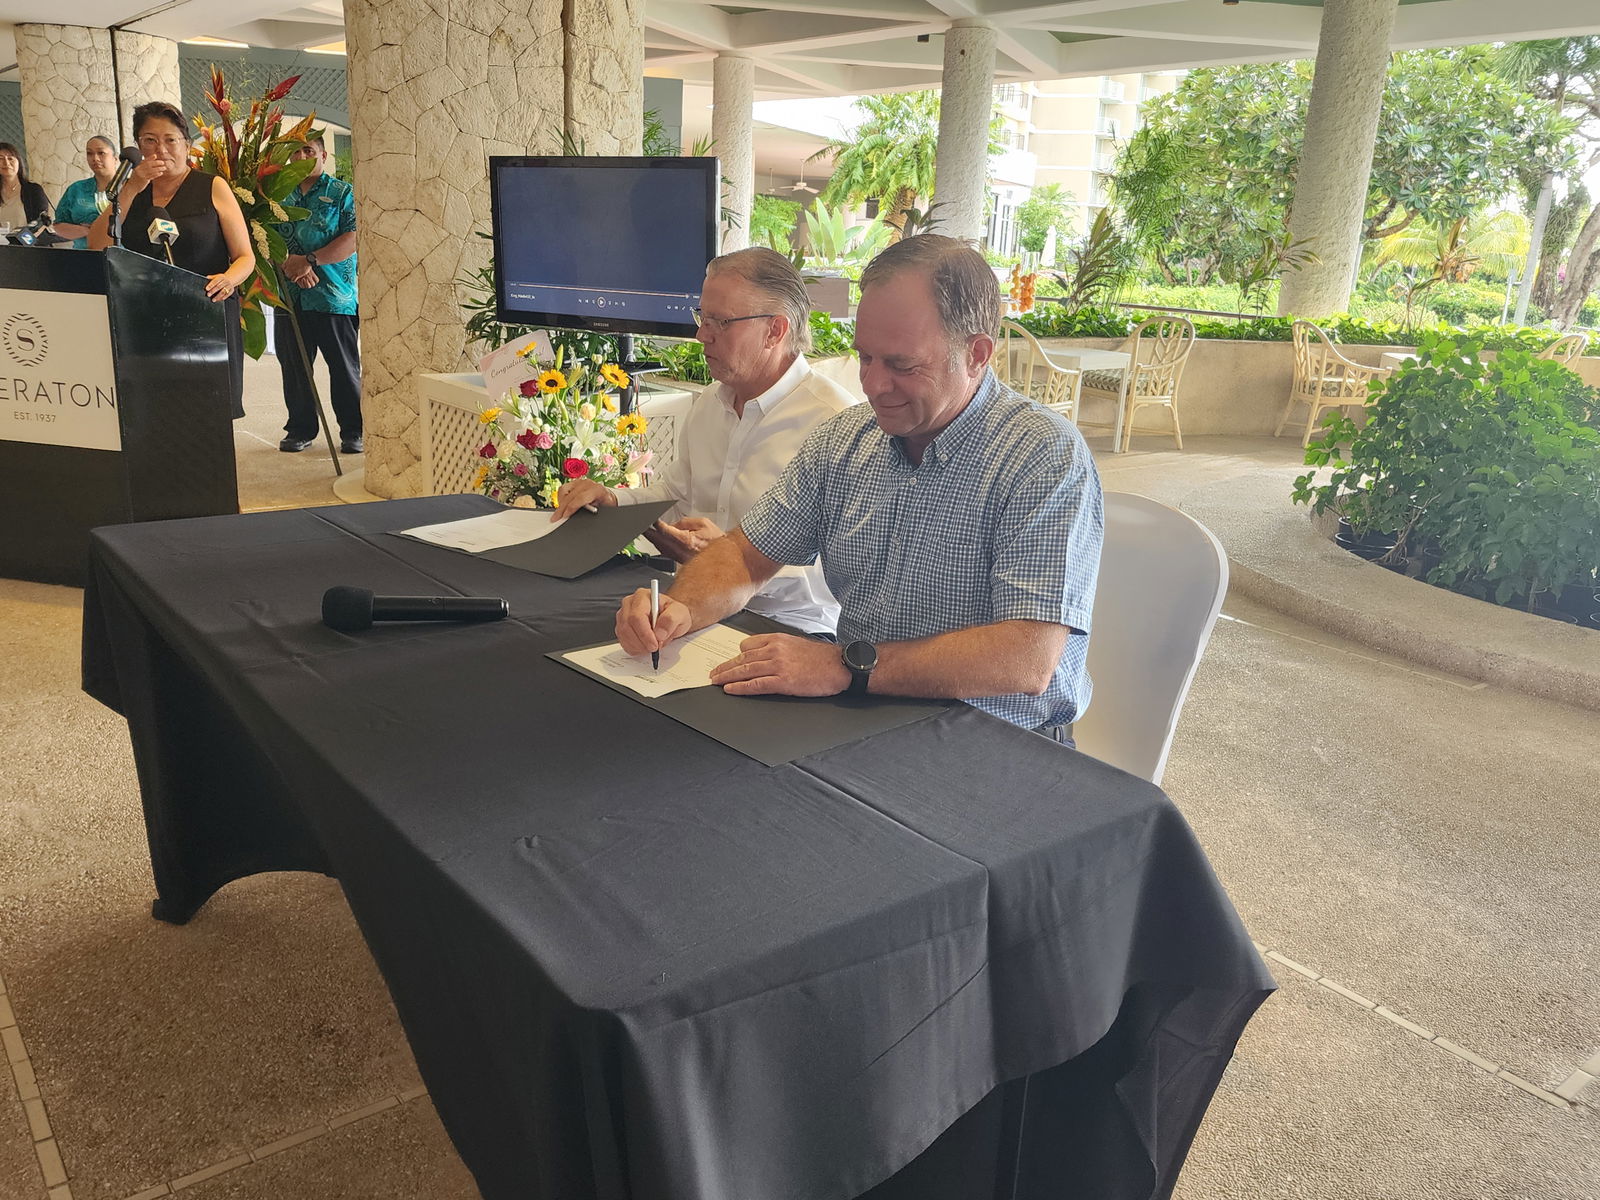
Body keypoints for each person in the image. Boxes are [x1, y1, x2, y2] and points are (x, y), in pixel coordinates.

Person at [614, 235, 1104, 740]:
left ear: (977, 353)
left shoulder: (1041, 456)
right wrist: (681, 608)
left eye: (902, 365)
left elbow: (1026, 657)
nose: (872, 385)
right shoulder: (845, 439)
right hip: (861, 712)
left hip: (994, 738)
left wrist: (847, 667)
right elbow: (743, 554)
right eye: (865, 358)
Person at [554, 246, 853, 635]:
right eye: (701, 317)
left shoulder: (836, 423)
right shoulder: (711, 403)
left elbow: (840, 578)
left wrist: (730, 560)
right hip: (691, 608)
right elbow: (675, 496)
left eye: (720, 322)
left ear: (775, 331)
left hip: (786, 629)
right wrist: (613, 500)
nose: (701, 335)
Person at [88, 100, 255, 419]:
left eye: (170, 140)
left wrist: (229, 279)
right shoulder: (130, 192)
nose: (160, 149)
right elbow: (97, 243)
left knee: (208, 414)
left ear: (187, 145)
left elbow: (245, 256)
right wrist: (133, 185)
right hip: (145, 319)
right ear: (138, 147)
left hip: (206, 314)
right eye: (149, 141)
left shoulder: (211, 187)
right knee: (156, 413)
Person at [272, 132, 362, 454]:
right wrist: (290, 266)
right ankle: (300, 428)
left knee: (343, 366)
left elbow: (354, 236)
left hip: (333, 296)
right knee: (294, 366)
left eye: (308, 151)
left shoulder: (342, 193)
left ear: (323, 157)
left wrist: (309, 261)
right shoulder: (277, 196)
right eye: (295, 153)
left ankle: (354, 430)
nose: (301, 158)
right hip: (288, 295)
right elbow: (263, 236)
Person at [52, 136, 119, 250]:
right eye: (90, 153)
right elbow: (58, 226)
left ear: (115, 158)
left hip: (123, 257)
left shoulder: (128, 188)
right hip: (85, 255)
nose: (95, 158)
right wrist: (87, 231)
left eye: (101, 153)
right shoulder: (77, 189)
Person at [0, 142, 52, 233]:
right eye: (0, 158)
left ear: (19, 162)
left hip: (29, 245)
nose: (6, 163)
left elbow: (41, 224)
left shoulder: (33, 190)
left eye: (10, 158)